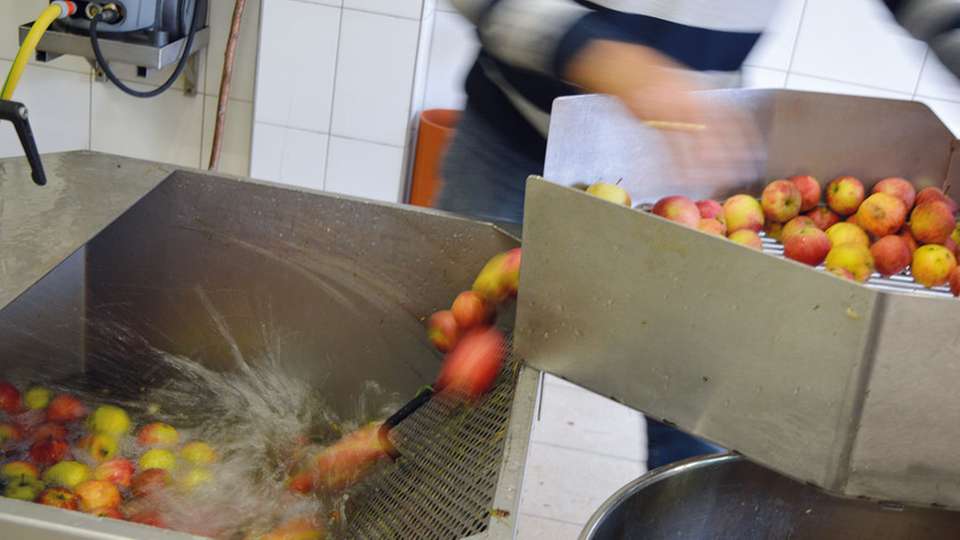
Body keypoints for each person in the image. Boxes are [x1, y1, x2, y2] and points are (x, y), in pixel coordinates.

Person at [436, 0, 960, 470]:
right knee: (455, 371)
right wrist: (584, 47)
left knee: (695, 408)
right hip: (513, 136)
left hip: (684, 157)